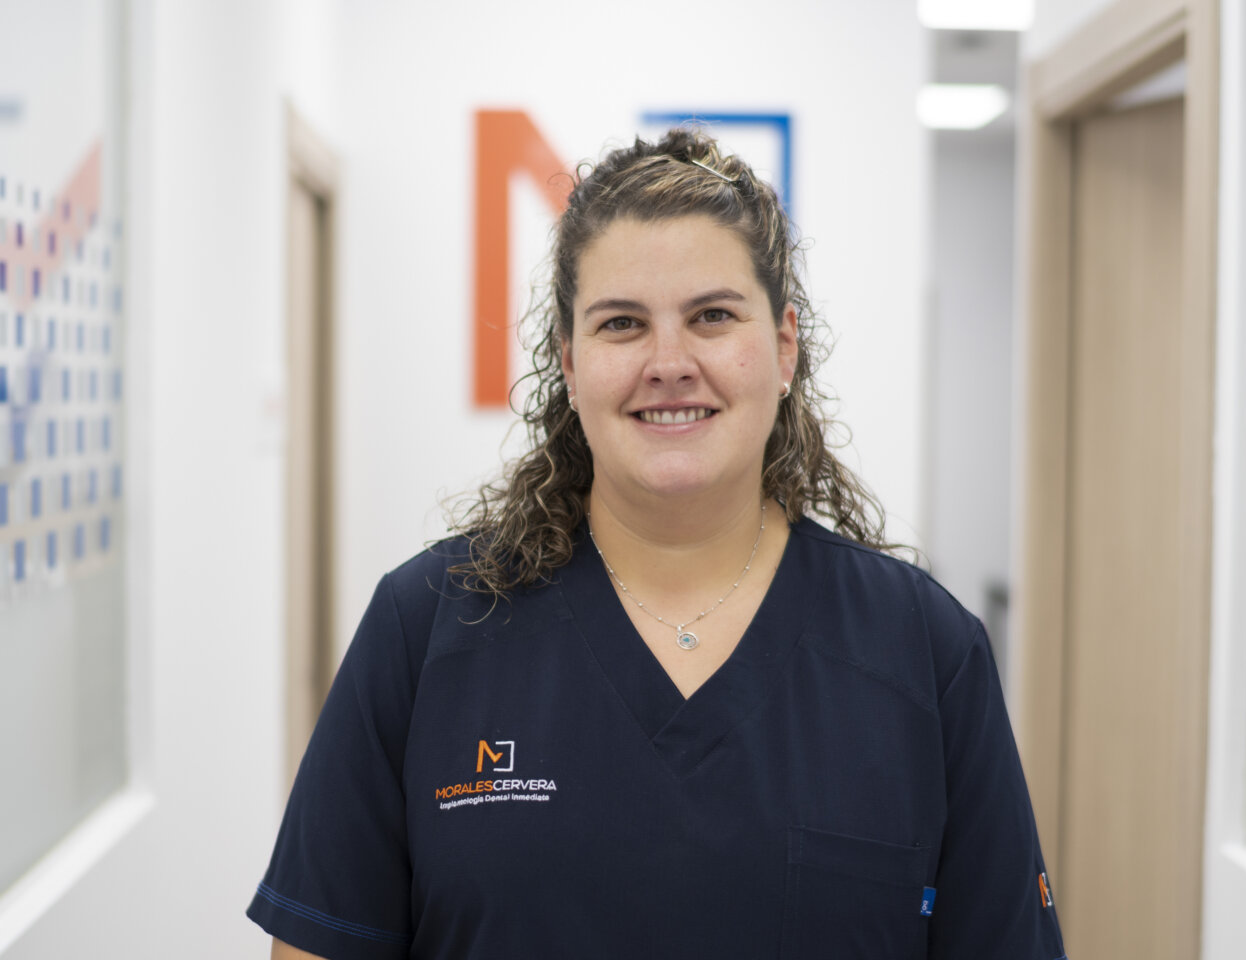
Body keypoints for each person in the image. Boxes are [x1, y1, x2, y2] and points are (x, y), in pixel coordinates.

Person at [249, 128, 1067, 960]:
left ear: (784, 347)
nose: (670, 363)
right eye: (622, 324)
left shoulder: (925, 652)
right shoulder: (426, 629)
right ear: (568, 364)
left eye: (712, 317)